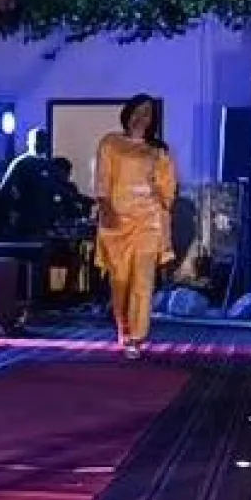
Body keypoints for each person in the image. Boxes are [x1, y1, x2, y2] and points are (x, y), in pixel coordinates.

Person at [94, 94, 175, 358]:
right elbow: (103, 180)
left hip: (148, 221)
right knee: (119, 281)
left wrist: (162, 207)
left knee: (143, 280)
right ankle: (123, 326)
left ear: (153, 120)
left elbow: (167, 189)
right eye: (138, 111)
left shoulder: (158, 150)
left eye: (147, 113)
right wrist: (106, 209)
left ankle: (137, 338)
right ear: (128, 113)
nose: (142, 117)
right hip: (117, 220)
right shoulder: (111, 143)